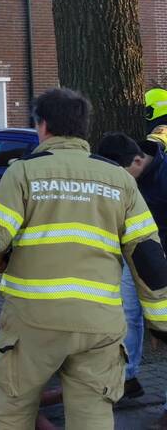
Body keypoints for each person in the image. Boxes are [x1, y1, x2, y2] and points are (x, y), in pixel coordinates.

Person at [0, 88, 167, 429]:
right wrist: (161, 325)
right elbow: (148, 257)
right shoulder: (120, 180)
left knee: (11, 415)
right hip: (98, 326)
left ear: (42, 125)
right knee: (93, 418)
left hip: (33, 322)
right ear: (83, 128)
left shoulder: (24, 173)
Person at [96, 132, 167, 412]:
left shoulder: (163, 176)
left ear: (138, 161)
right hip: (136, 257)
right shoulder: (131, 177)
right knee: (127, 314)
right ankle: (127, 379)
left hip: (159, 258)